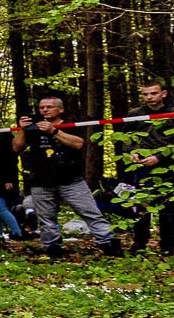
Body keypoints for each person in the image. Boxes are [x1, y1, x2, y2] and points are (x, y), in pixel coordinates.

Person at [12, 96, 124, 258]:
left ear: (60, 109)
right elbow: (16, 147)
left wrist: (54, 131)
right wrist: (23, 129)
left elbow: (78, 144)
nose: (45, 110)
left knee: (89, 211)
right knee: (46, 217)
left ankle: (108, 243)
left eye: (49, 107)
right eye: (42, 107)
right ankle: (52, 247)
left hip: (71, 180)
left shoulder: (71, 125)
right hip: (41, 181)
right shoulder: (33, 128)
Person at [120, 81, 174, 256]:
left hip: (169, 167)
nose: (149, 97)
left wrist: (159, 157)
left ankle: (168, 245)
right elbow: (126, 137)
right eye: (145, 94)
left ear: (163, 94)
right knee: (141, 205)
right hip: (142, 168)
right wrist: (131, 152)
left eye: (153, 93)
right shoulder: (135, 114)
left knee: (167, 208)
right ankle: (139, 244)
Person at [0, 132, 25, 241]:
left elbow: (10, 162)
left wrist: (8, 179)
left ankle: (17, 232)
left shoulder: (5, 141)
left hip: (3, 180)